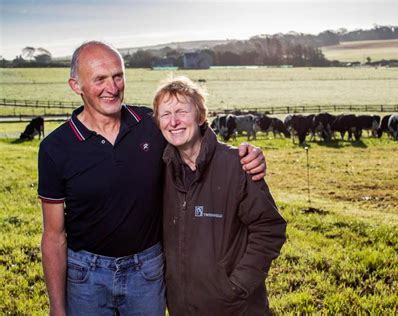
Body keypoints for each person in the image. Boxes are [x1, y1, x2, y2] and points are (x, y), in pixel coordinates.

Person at [38, 41, 266, 315]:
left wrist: (245, 154)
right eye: (100, 79)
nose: (112, 88)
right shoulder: (55, 148)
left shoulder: (150, 124)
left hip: (146, 272)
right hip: (86, 275)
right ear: (76, 86)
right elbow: (53, 235)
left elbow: (193, 139)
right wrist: (56, 306)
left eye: (118, 76)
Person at [153, 76, 286, 315]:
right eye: (165, 114)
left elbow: (269, 227)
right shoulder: (159, 171)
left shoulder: (236, 165)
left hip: (235, 307)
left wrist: (238, 284)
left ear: (201, 116)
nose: (173, 121)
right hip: (182, 307)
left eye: (182, 111)